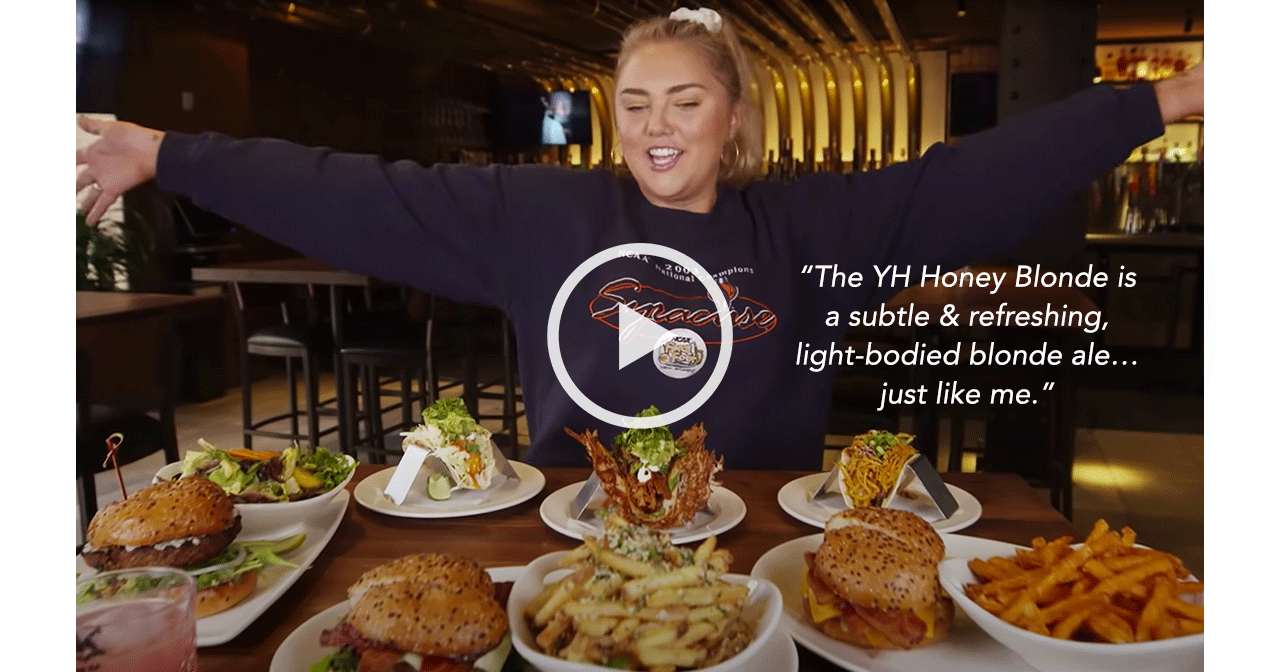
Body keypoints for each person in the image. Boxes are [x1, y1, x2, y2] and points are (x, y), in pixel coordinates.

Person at [76, 8, 1203, 470]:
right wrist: (170, 153)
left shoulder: (808, 229)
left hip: (755, 550)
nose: (658, 127)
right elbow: (357, 192)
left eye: (685, 101)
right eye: (635, 103)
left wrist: (1161, 100)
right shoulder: (544, 218)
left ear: (733, 118)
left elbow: (969, 180)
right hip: (568, 541)